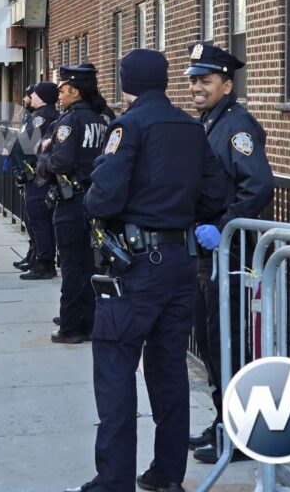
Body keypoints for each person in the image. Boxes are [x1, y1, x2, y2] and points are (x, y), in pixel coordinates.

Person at [65, 49, 228, 492]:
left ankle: (113, 479)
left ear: (127, 82)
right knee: (169, 368)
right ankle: (167, 474)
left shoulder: (129, 126)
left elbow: (104, 198)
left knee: (115, 365)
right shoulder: (191, 127)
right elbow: (215, 194)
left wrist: (99, 200)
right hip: (181, 261)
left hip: (136, 265)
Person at [184, 42, 274, 465]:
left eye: (206, 80)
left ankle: (241, 435)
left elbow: (258, 184)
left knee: (230, 345)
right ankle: (225, 420)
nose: (197, 88)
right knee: (211, 342)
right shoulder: (211, 122)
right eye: (194, 81)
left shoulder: (236, 125)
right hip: (209, 256)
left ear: (226, 84)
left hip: (232, 256)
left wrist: (224, 227)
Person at [37, 63, 108, 343]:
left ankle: (69, 327)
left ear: (75, 91)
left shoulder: (70, 121)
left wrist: (44, 159)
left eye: (63, 90)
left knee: (70, 266)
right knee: (90, 266)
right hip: (95, 199)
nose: (60, 95)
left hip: (72, 200)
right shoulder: (101, 119)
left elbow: (61, 161)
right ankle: (89, 323)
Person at [15, 82, 60, 280]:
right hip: (38, 174)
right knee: (38, 220)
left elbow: (28, 144)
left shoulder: (42, 118)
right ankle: (38, 257)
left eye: (34, 94)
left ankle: (44, 263)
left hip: (38, 177)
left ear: (41, 97)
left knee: (39, 220)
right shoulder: (48, 116)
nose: (30, 96)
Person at [10, 84, 38, 271]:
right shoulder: (30, 117)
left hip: (33, 175)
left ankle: (40, 260)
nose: (25, 99)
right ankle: (33, 253)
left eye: (28, 96)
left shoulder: (39, 119)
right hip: (25, 174)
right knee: (30, 220)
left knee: (36, 222)